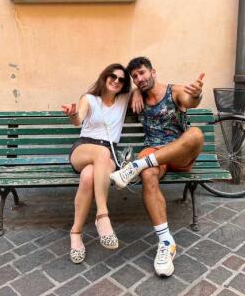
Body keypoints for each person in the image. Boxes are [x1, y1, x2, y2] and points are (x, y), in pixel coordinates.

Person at [110, 57, 205, 277]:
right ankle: (166, 242)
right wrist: (134, 92)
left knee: (196, 134)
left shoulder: (175, 91)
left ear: (153, 71)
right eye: (135, 77)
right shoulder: (137, 96)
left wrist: (197, 93)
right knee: (148, 175)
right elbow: (109, 92)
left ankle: (136, 165)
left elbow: (190, 100)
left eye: (142, 73)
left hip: (179, 153)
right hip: (152, 150)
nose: (139, 79)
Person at [61, 63, 142, 264]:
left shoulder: (123, 99)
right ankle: (102, 215)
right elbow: (78, 119)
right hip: (84, 148)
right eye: (112, 76)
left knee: (88, 177)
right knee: (101, 152)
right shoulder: (89, 99)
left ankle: (76, 233)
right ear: (105, 77)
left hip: (108, 154)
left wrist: (137, 92)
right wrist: (72, 114)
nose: (116, 81)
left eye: (121, 79)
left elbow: (142, 85)